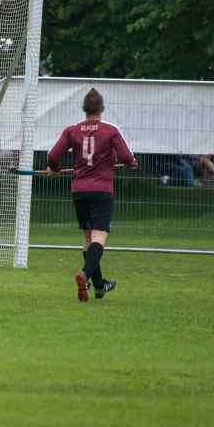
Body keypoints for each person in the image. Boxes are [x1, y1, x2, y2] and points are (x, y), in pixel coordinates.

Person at [46, 88, 138, 302]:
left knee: (87, 240)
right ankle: (84, 275)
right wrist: (132, 163)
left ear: (84, 110)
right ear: (102, 109)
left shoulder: (72, 130)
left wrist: (55, 168)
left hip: (79, 190)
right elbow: (125, 156)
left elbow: (52, 155)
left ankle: (99, 285)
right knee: (99, 237)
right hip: (101, 190)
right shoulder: (110, 131)